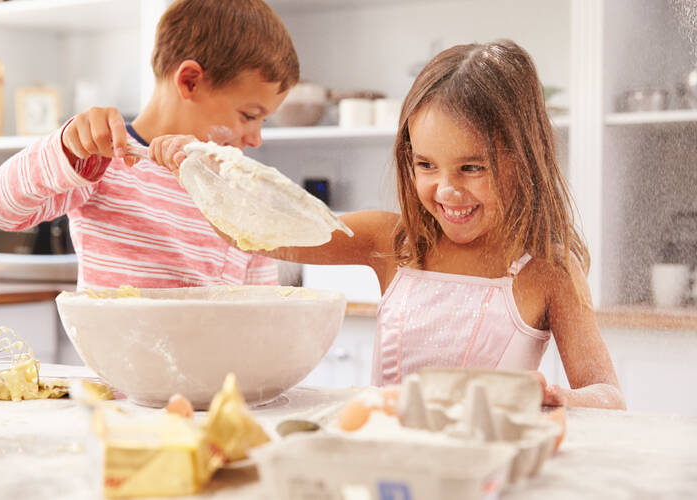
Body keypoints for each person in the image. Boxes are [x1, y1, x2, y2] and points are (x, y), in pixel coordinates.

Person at [150, 40, 626, 410]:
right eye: (426, 165)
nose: (446, 190)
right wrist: (194, 171)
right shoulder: (392, 242)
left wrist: (560, 397)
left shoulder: (547, 270)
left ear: (524, 159)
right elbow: (254, 234)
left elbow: (609, 397)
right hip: (383, 468)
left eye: (471, 168)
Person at [0, 0, 299, 290]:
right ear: (190, 81)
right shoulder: (101, 160)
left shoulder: (241, 191)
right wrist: (66, 148)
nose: (256, 138)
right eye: (248, 115)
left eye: (263, 120)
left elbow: (262, 307)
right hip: (113, 355)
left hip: (217, 355)